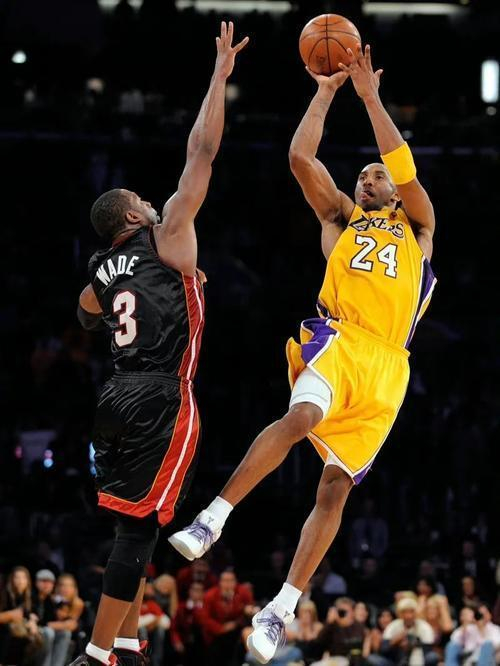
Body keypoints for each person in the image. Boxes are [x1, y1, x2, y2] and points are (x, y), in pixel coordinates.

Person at [169, 42, 436, 664]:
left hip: (388, 368)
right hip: (340, 339)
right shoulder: (341, 220)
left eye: (375, 175)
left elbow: (403, 164)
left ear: (395, 193)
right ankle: (214, 516)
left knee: (335, 488)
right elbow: (299, 158)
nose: (367, 179)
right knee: (301, 418)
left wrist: (370, 97)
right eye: (362, 174)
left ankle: (281, 608)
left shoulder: (419, 226)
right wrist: (324, 95)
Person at [70, 21, 249, 666]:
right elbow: (202, 151)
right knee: (141, 530)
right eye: (144, 200)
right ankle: (96, 655)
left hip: (114, 396)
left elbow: (86, 314)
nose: (154, 201)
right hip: (159, 394)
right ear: (133, 216)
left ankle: (125, 642)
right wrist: (218, 77)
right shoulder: (166, 234)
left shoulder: (100, 267)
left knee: (132, 523)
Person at [374, 597, 438, 666]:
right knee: (374, 659)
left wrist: (411, 646)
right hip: (395, 660)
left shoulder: (424, 626)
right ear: (400, 614)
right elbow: (383, 649)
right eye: (405, 612)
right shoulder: (393, 626)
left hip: (419, 659)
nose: (408, 616)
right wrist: (395, 641)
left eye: (411, 612)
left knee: (432, 656)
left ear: (416, 613)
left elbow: (428, 649)